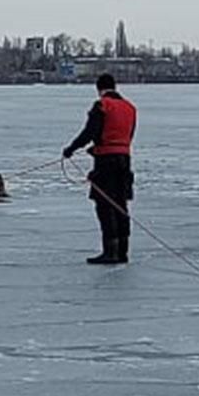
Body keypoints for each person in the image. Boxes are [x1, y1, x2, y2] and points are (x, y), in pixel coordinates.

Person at [63, 73, 136, 264]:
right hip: (124, 160)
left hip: (106, 163)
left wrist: (71, 149)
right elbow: (127, 135)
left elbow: (90, 131)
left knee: (105, 205)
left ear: (99, 89)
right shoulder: (130, 108)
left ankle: (109, 251)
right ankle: (122, 251)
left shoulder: (102, 105)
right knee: (121, 204)